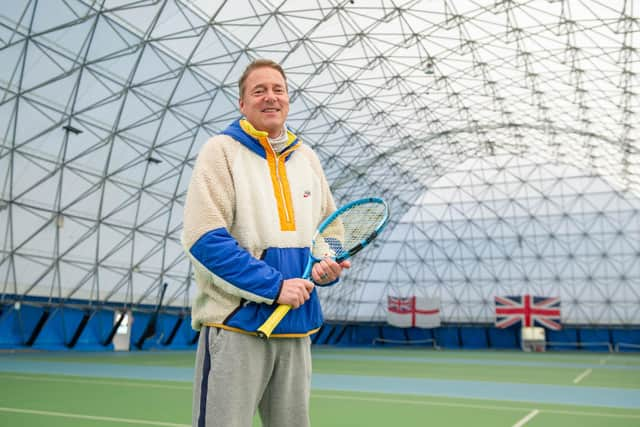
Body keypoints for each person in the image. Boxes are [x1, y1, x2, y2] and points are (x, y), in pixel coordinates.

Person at [182, 58, 350, 427]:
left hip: (297, 326)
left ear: (288, 100)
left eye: (278, 90)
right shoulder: (221, 150)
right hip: (236, 325)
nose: (270, 97)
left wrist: (329, 267)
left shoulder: (307, 158)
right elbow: (204, 239)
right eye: (259, 91)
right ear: (242, 104)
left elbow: (332, 234)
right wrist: (275, 286)